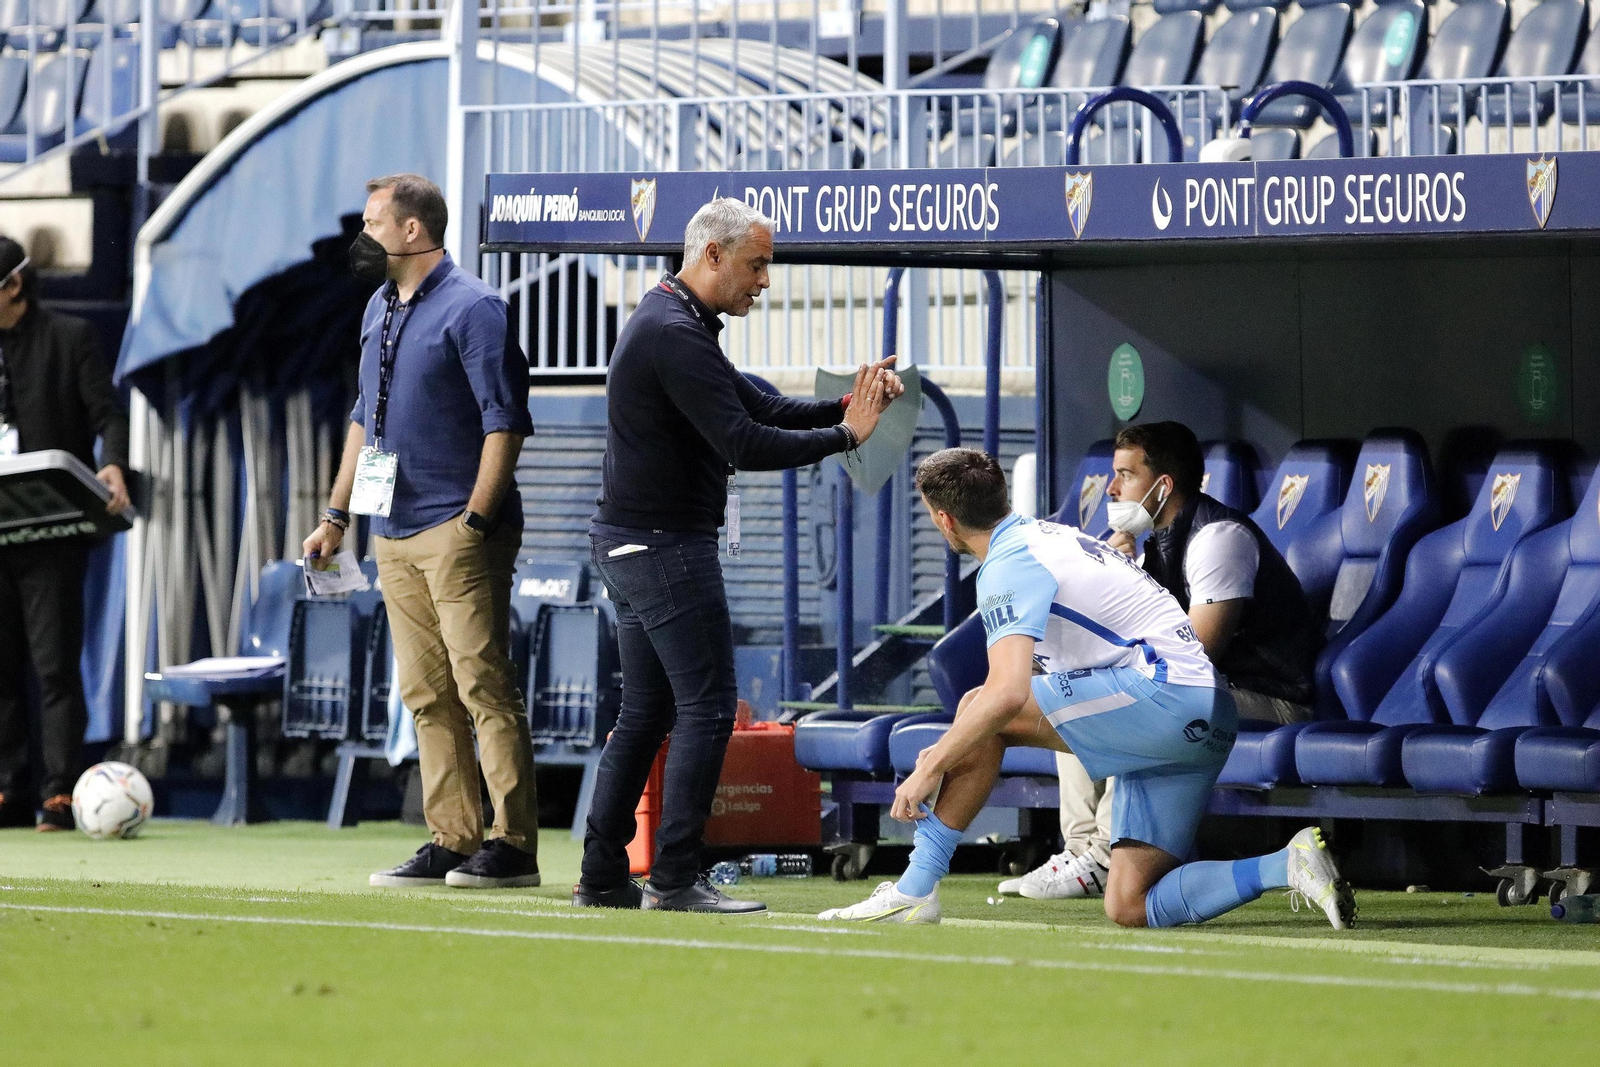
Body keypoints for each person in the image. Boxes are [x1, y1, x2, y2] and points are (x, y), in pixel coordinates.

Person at [818, 448, 1355, 930]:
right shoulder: (1054, 536)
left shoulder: (1009, 563)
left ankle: (914, 890)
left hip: (1166, 698)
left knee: (981, 708)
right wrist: (954, 743)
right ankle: (1287, 863)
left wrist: (928, 769)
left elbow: (1004, 696)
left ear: (943, 519)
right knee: (1130, 904)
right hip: (1206, 713)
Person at [572, 198, 904, 914]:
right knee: (710, 706)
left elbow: (760, 405)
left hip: (632, 543)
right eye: (756, 265)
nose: (764, 282)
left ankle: (602, 876)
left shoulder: (677, 319)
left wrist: (848, 404)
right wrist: (847, 437)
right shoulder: (673, 331)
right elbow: (745, 442)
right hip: (663, 547)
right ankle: (673, 878)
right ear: (713, 255)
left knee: (646, 713)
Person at [303, 174, 542, 890]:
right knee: (425, 691)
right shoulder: (379, 306)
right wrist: (336, 514)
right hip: (393, 530)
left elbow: (506, 422)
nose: (364, 236)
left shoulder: (475, 309)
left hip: (456, 528)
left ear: (413, 231)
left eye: (375, 222)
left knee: (482, 682)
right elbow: (361, 417)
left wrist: (475, 517)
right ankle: (453, 836)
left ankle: (515, 843)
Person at [999, 421, 1322, 901]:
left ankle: (1108, 855)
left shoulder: (1219, 538)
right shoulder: (1152, 544)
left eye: (1125, 475)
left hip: (1267, 696)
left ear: (1162, 485)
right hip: (1209, 692)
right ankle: (1083, 849)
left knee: (1128, 700)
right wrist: (1112, 575)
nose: (1111, 488)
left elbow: (1195, 655)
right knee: (1064, 694)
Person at [0, 238, 130, 832]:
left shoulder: (68, 339)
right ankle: (8, 789)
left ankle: (57, 792)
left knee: (53, 664)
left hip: (52, 529)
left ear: (14, 287)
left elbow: (108, 413)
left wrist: (114, 464)